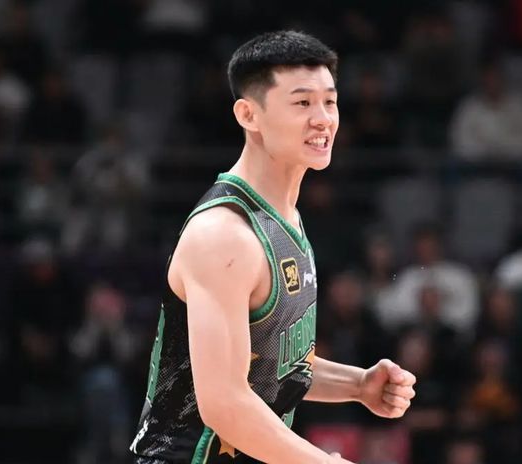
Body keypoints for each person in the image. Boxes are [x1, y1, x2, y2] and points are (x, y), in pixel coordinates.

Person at [129, 31, 416, 464]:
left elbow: (272, 364)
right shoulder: (224, 236)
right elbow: (224, 403)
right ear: (249, 114)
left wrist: (357, 385)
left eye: (330, 102)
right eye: (302, 103)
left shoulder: (285, 217)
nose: (323, 119)